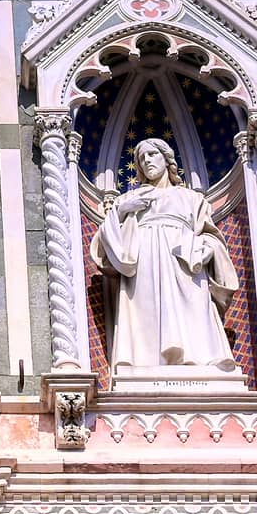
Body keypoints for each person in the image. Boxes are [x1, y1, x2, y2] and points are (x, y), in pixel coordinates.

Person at [90, 138, 238, 374]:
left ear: (166, 158)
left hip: (184, 264)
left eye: (151, 154)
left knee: (192, 311)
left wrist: (204, 248)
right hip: (145, 261)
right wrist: (122, 210)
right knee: (147, 314)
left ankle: (198, 358)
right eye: (141, 158)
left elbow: (212, 237)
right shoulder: (127, 200)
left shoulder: (192, 199)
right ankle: (145, 364)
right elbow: (104, 243)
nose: (146, 160)